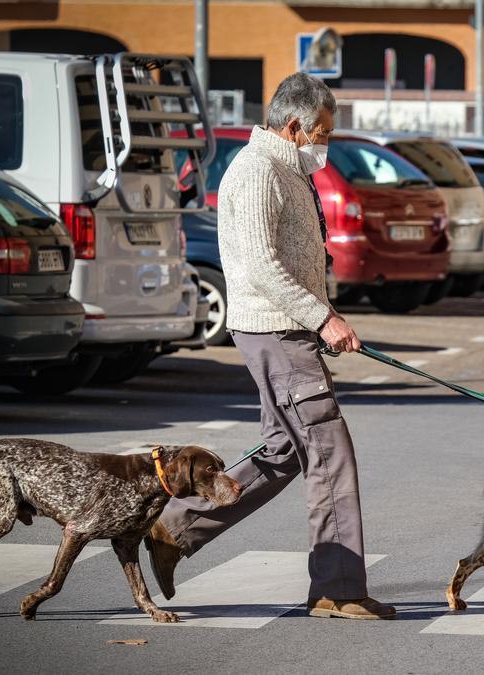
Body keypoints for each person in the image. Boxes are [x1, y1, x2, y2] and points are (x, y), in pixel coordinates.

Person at [145, 73, 395, 620]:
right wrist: (323, 318)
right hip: (276, 331)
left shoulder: (285, 167)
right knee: (329, 455)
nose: (325, 143)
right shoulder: (260, 171)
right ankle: (338, 590)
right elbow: (261, 265)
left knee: (284, 452)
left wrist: (316, 318)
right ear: (292, 126)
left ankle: (174, 529)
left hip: (284, 330)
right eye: (322, 132)